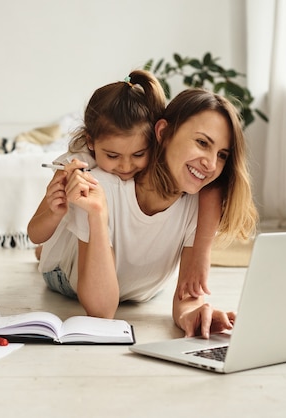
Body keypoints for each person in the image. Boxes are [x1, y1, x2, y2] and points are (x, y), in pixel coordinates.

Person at [42, 88, 258, 338]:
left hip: (142, 290)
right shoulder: (102, 183)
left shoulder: (203, 202)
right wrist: (98, 216)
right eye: (202, 143)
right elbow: (101, 312)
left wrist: (193, 313)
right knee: (64, 239)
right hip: (67, 278)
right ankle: (50, 246)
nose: (211, 165)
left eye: (222, 155)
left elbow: (187, 300)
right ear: (163, 132)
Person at [28, 71, 223, 298]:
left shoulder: (175, 170)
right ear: (91, 142)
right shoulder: (78, 165)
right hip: (64, 272)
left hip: (134, 282)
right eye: (112, 156)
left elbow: (213, 186)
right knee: (62, 237)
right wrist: (54, 213)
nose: (126, 166)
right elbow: (34, 232)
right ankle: (46, 253)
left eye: (138, 154)